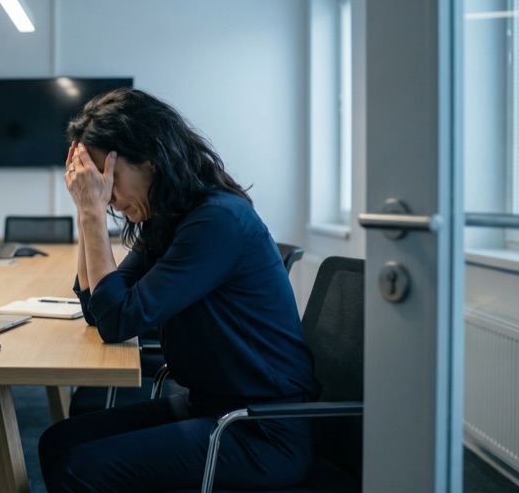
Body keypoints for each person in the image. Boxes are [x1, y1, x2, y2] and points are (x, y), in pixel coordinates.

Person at [38, 88, 321, 492]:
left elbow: (118, 320)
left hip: (262, 430)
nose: (107, 196)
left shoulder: (215, 221)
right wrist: (88, 214)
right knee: (58, 442)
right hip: (212, 408)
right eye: (95, 184)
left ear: (150, 161)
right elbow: (98, 308)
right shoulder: (170, 219)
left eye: (110, 179)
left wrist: (91, 213)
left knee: (79, 468)